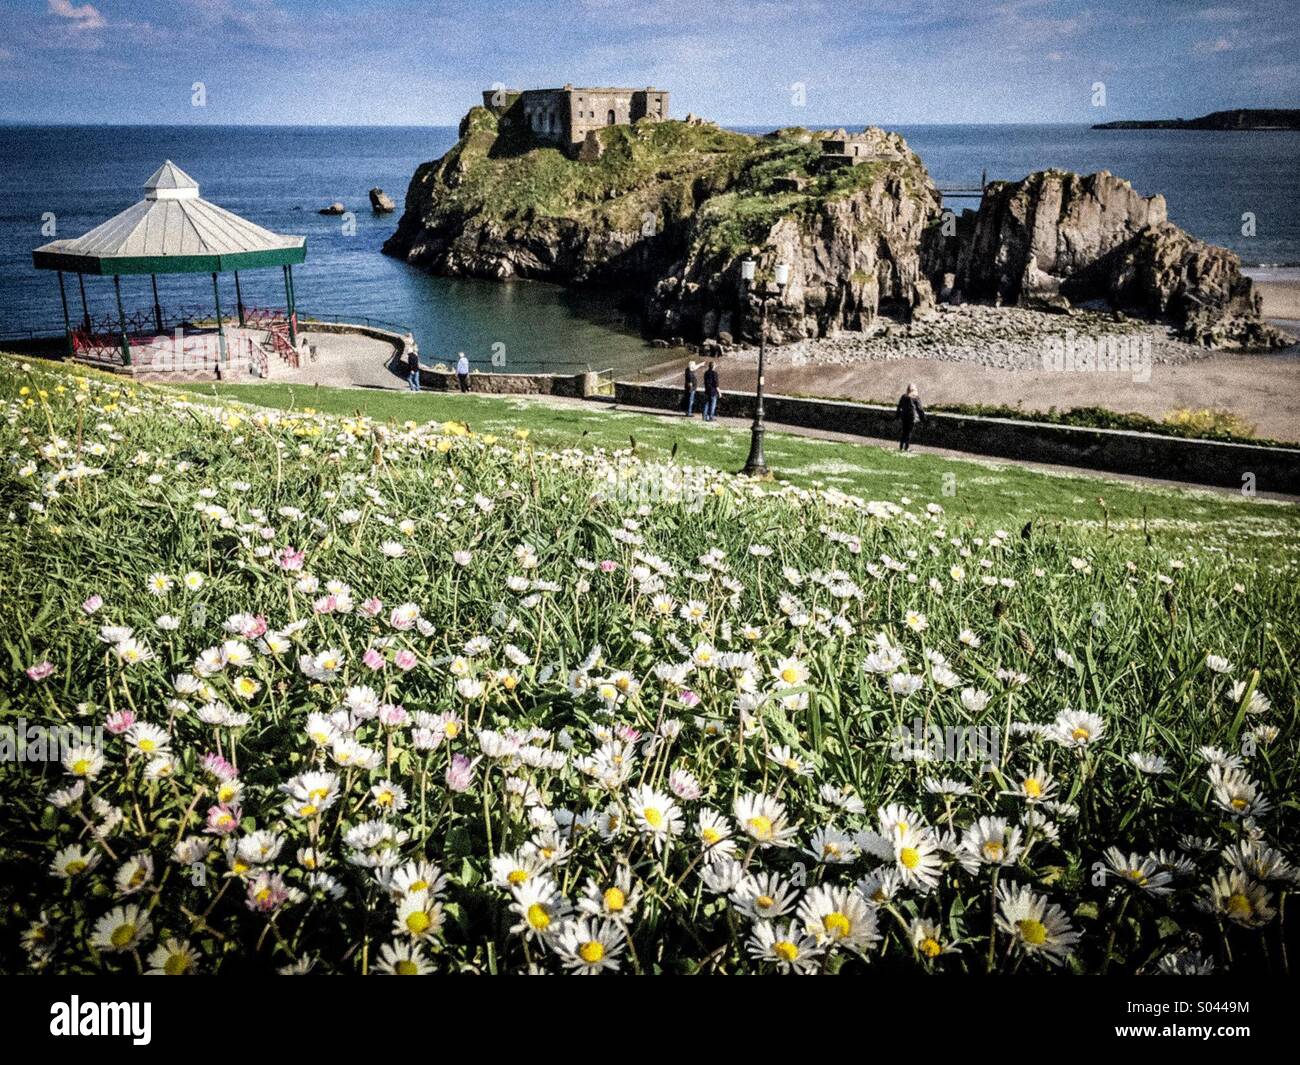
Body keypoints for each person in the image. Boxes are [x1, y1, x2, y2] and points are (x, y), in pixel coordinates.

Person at [896, 382, 925, 452]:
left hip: (904, 416)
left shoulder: (904, 396)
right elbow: (920, 408)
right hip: (911, 417)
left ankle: (901, 446)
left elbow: (899, 406)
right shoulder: (915, 398)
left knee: (904, 431)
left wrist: (897, 415)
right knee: (909, 432)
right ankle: (906, 447)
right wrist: (923, 418)